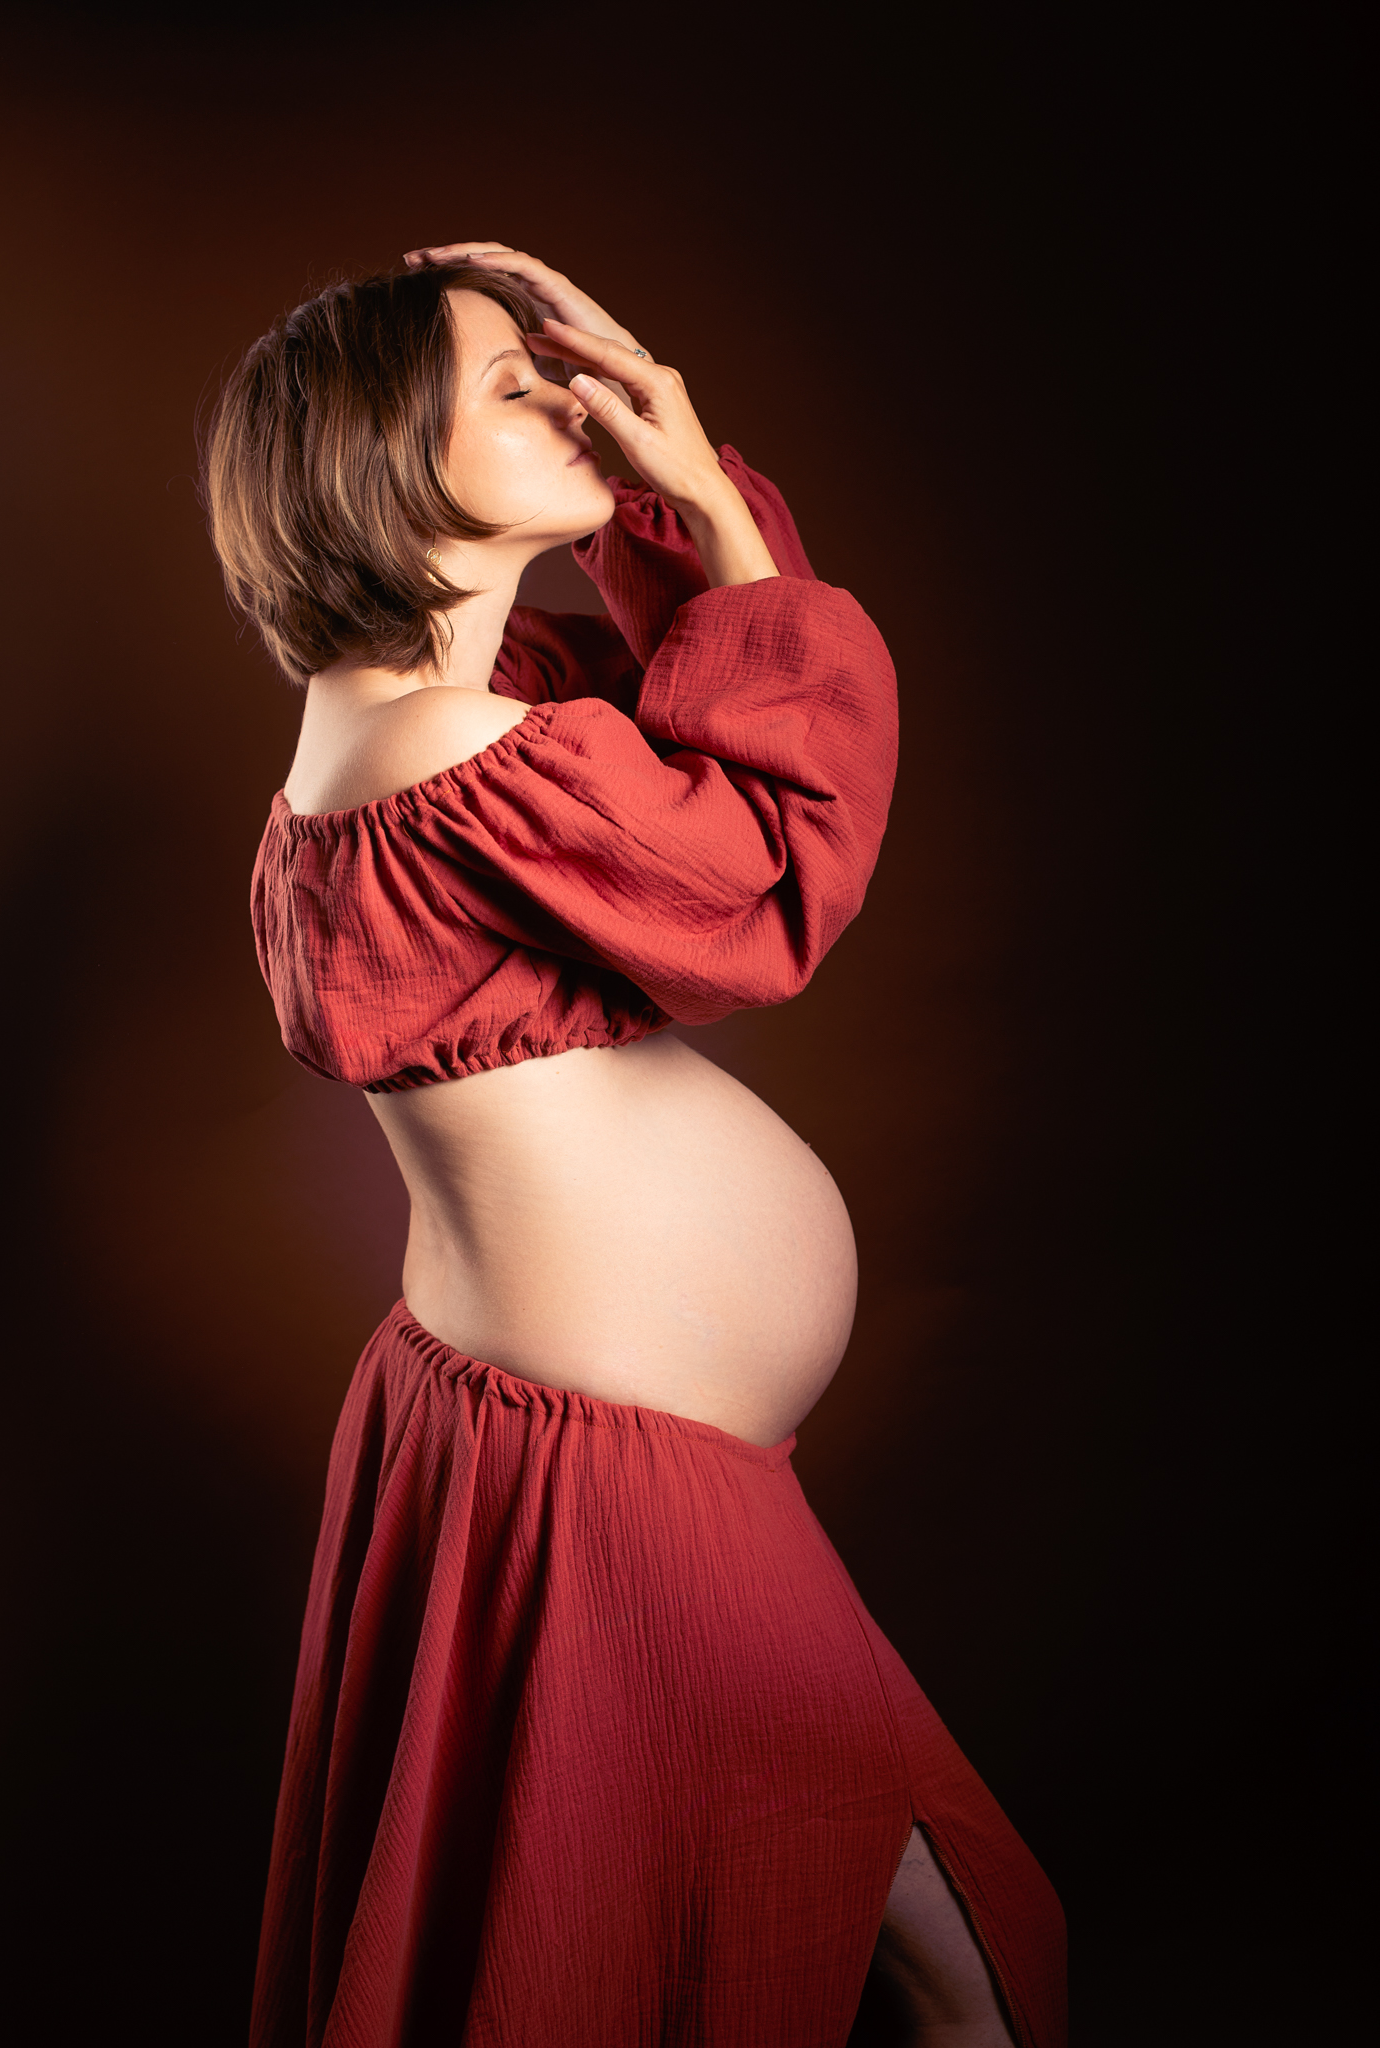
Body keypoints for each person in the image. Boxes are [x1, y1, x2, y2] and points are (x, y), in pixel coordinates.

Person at [202, 242, 1065, 2048]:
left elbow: (690, 702)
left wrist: (663, 466)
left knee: (922, 1946)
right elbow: (766, 870)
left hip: (571, 1452)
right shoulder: (447, 748)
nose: (571, 394)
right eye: (508, 385)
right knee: (948, 1958)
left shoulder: (438, 705)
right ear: (379, 459)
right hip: (608, 1492)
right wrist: (704, 507)